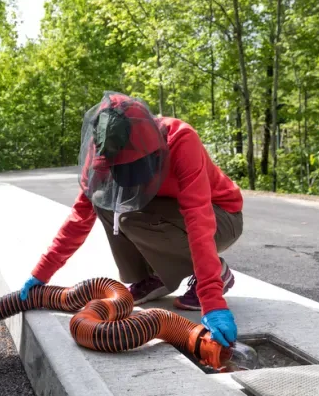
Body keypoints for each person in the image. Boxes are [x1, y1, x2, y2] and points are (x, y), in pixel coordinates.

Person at [19, 92, 244, 346]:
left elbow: (199, 219)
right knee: (104, 201)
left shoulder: (181, 139)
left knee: (131, 217)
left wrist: (212, 300)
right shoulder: (102, 150)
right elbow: (80, 216)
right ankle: (153, 276)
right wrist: (41, 273)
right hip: (172, 213)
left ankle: (219, 273)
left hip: (222, 216)